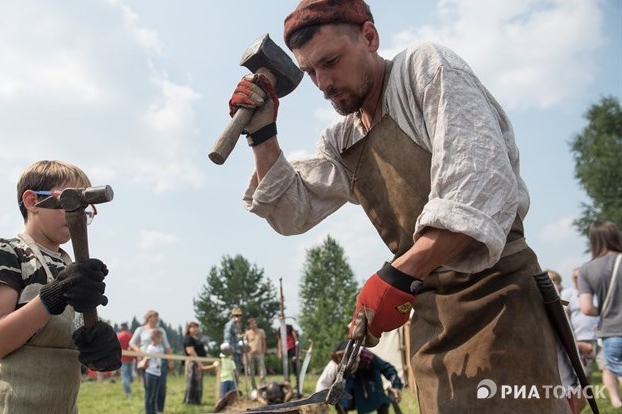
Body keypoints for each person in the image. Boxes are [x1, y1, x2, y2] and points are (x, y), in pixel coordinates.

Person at [227, 1, 572, 411]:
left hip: (501, 306)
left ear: (370, 37)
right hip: (430, 323)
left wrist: (397, 275)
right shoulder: (343, 141)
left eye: (331, 62)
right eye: (310, 72)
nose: (323, 82)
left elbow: (476, 189)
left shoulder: (425, 70)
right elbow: (291, 211)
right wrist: (263, 133)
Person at [0, 160, 121, 413]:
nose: (77, 212)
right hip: (8, 402)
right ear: (32, 201)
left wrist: (98, 344)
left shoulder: (69, 264)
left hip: (60, 405)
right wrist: (55, 295)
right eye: (67, 200)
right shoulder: (5, 254)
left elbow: (74, 338)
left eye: (86, 207)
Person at [579, 220, 622, 409]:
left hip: (611, 330)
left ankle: (615, 400)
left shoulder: (586, 269)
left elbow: (586, 308)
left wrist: (604, 308)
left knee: (612, 368)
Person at [316, 341, 403, 414]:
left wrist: (396, 386)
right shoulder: (334, 364)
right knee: (339, 399)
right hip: (348, 385)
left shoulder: (366, 356)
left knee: (381, 400)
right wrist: (321, 403)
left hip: (369, 381)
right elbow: (323, 383)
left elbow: (386, 368)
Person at [561, 268, 600, 413]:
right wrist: (575, 342)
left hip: (599, 337)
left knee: (607, 368)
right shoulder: (567, 294)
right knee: (583, 374)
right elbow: (563, 316)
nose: (578, 280)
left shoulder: (596, 294)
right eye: (576, 277)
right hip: (579, 339)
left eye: (581, 277)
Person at [129, 310, 173, 414]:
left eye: (157, 317)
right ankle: (150, 411)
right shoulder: (140, 330)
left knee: (161, 387)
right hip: (146, 362)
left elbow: (167, 346)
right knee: (149, 388)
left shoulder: (161, 330)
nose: (156, 319)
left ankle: (159, 409)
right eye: (154, 316)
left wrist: (170, 360)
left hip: (160, 361)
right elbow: (132, 343)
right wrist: (139, 352)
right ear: (148, 317)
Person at [183, 321, 207, 405]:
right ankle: (190, 401)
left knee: (199, 383)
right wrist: (199, 362)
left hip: (199, 361)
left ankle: (197, 401)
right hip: (193, 362)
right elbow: (191, 351)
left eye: (197, 327)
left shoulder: (198, 338)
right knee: (191, 382)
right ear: (189, 329)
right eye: (193, 327)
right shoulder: (188, 338)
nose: (195, 329)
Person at [143, 329, 165, 414]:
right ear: (154, 338)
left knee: (155, 395)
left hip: (157, 373)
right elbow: (146, 361)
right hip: (151, 374)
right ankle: (149, 412)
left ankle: (154, 411)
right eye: (160, 338)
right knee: (150, 396)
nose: (161, 340)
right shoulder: (150, 349)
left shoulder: (159, 348)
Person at [245, 317, 267, 386]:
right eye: (252, 324)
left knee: (262, 370)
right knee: (251, 371)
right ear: (250, 325)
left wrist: (264, 351)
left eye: (255, 323)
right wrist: (245, 355)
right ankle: (253, 386)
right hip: (250, 353)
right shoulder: (247, 333)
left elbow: (264, 342)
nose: (254, 325)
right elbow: (245, 344)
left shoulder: (261, 331)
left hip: (259, 353)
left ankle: (262, 385)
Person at [116, 323, 135, 398]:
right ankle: (129, 382)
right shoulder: (131, 335)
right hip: (131, 358)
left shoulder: (119, 336)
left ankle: (128, 393)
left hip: (123, 358)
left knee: (125, 377)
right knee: (129, 376)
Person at [223, 307, 244, 371]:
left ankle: (236, 381)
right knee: (231, 370)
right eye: (236, 315)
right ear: (232, 316)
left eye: (239, 315)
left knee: (236, 370)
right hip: (232, 352)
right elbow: (227, 339)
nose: (238, 317)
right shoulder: (230, 325)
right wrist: (229, 352)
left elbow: (237, 337)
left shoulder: (236, 325)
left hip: (237, 351)